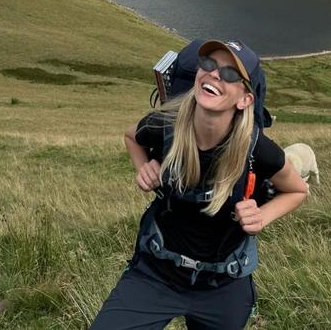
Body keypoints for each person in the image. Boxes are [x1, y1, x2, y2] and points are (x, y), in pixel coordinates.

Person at [89, 39, 309, 330]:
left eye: (231, 74)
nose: (215, 74)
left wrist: (262, 216)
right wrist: (144, 167)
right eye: (208, 65)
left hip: (223, 285)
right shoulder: (165, 125)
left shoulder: (256, 148)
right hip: (155, 273)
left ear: (245, 100)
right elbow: (132, 137)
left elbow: (297, 190)